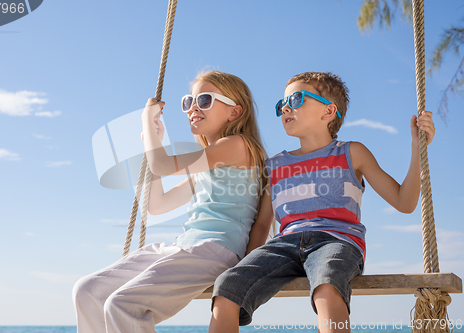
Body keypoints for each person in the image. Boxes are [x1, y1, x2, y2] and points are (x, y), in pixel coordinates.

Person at [209, 71, 435, 333]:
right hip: (284, 244)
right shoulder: (274, 166)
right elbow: (261, 225)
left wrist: (418, 148)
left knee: (327, 285)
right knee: (227, 286)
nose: (285, 108)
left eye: (295, 99)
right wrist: (249, 266)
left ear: (328, 111)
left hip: (337, 240)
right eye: (282, 104)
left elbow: (404, 202)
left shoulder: (352, 153)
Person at [72, 70, 268, 333]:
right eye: (189, 101)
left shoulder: (237, 145)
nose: (193, 108)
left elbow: (163, 164)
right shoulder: (207, 164)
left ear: (235, 112)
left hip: (216, 250)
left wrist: (147, 126)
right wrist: (151, 143)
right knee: (87, 291)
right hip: (185, 247)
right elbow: (157, 205)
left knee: (123, 304)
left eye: (205, 100)